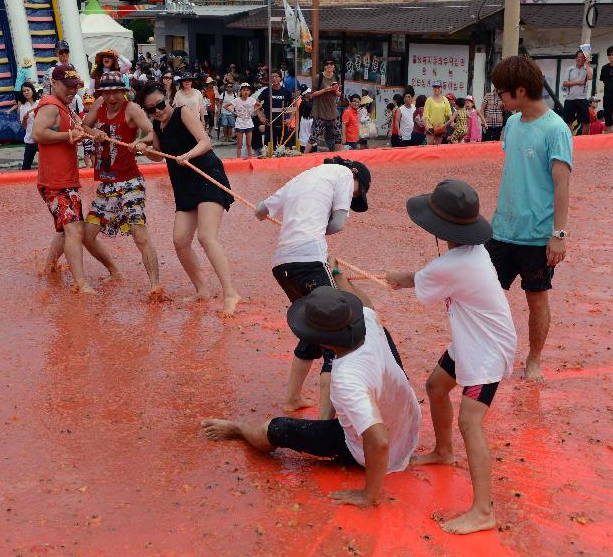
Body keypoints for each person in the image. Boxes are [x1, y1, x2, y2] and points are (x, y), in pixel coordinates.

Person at [202, 282, 421, 508]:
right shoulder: (366, 318)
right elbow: (366, 303)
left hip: (378, 452)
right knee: (382, 333)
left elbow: (380, 441)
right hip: (408, 420)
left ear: (321, 340)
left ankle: (239, 429)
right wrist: (338, 274)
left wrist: (369, 495)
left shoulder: (347, 377)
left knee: (275, 428)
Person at [386, 179, 516, 534]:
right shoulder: (471, 253)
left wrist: (403, 279)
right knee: (436, 385)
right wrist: (408, 279)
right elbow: (428, 278)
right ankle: (444, 451)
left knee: (470, 423)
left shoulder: (454, 264)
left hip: (487, 351)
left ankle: (484, 510)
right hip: (471, 340)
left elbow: (428, 282)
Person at [255, 156, 372, 417]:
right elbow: (339, 224)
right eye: (358, 192)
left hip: (282, 266)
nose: (354, 197)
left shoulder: (301, 178)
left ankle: (292, 399)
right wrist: (315, 230)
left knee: (311, 330)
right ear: (354, 173)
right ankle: (325, 417)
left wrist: (298, 219)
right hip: (309, 260)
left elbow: (260, 210)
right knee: (337, 331)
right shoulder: (342, 173)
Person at [485, 55, 572, 382]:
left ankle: (534, 359)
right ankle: (491, 355)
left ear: (520, 91)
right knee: (485, 294)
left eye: (502, 93)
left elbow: (562, 184)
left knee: (536, 300)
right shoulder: (511, 125)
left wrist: (559, 235)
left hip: (537, 237)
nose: (499, 100)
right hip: (502, 230)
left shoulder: (555, 129)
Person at [136, 83, 240, 317]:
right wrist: (143, 148)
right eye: (152, 109)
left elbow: (205, 142)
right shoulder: (157, 126)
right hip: (183, 184)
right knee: (180, 240)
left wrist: (187, 155)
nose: (158, 111)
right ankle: (202, 290)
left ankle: (230, 292)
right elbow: (158, 155)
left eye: (161, 105)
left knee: (206, 236)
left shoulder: (183, 112)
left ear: (168, 98)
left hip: (207, 175)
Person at [81, 73, 163, 298]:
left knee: (139, 233)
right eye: (106, 92)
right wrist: (93, 132)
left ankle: (155, 286)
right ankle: (115, 271)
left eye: (116, 92)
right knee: (87, 235)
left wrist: (140, 142)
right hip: (106, 183)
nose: (111, 97)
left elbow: (152, 132)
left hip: (129, 182)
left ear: (124, 91)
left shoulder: (132, 109)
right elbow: (83, 126)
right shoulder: (98, 105)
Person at [31, 64, 93, 294]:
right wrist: (68, 135)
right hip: (56, 181)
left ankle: (48, 269)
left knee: (64, 229)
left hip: (63, 179)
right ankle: (81, 283)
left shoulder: (64, 106)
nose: (72, 91)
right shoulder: (50, 105)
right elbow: (38, 133)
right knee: (75, 229)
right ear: (54, 84)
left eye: (74, 87)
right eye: (67, 86)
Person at [306, 60, 342, 153]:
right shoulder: (319, 77)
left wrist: (335, 90)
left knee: (338, 136)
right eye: (327, 64)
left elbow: (339, 94)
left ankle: (338, 157)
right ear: (324, 66)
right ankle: (304, 157)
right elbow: (312, 94)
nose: (329, 65)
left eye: (331, 64)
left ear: (334, 66)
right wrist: (325, 90)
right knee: (313, 137)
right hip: (320, 111)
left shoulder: (337, 77)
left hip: (333, 111)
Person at [257, 70, 293, 152]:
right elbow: (256, 103)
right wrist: (261, 116)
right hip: (270, 124)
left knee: (285, 149)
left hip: (283, 124)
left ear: (280, 78)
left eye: (276, 76)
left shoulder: (286, 92)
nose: (274, 79)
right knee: (269, 149)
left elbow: (293, 106)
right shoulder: (266, 91)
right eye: (272, 77)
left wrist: (290, 119)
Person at [561, 50, 593, 135]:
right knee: (568, 122)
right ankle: (569, 139)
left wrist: (587, 64)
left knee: (586, 122)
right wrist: (577, 82)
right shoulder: (570, 69)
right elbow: (565, 83)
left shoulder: (588, 69)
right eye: (579, 57)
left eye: (582, 57)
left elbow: (590, 77)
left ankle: (584, 141)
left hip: (582, 99)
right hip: (569, 98)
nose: (580, 59)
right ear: (576, 58)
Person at [225, 82, 255, 159]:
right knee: (239, 145)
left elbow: (259, 105)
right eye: (244, 90)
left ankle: (250, 159)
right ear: (241, 91)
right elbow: (225, 106)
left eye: (247, 90)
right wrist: (234, 113)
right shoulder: (237, 100)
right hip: (239, 124)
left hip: (249, 124)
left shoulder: (251, 100)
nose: (246, 92)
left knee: (249, 144)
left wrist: (252, 111)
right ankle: (238, 160)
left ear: (250, 92)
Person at [18, 82, 40, 170]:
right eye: (24, 91)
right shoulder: (22, 107)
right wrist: (25, 119)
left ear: (32, 90)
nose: (26, 92)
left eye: (28, 90)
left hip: (41, 138)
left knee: (46, 163)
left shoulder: (40, 103)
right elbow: (23, 126)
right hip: (30, 139)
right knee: (26, 166)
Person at [424, 81, 451, 145]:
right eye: (435, 87)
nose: (437, 89)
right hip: (430, 126)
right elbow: (425, 115)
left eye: (438, 87)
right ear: (433, 88)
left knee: (437, 146)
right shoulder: (429, 100)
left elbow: (449, 114)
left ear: (441, 88)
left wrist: (451, 123)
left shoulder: (445, 99)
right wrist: (427, 127)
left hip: (440, 127)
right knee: (429, 146)